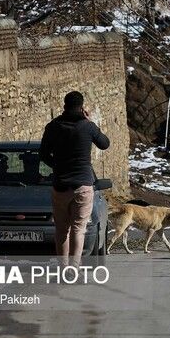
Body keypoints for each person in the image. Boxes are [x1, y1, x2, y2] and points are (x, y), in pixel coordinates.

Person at [40, 91, 110, 267]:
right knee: (78, 229)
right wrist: (90, 121)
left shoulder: (53, 126)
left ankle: (63, 267)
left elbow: (43, 154)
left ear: (64, 105)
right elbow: (104, 143)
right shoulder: (87, 127)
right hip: (83, 185)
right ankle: (74, 267)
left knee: (62, 230)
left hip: (60, 185)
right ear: (81, 106)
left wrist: (57, 165)